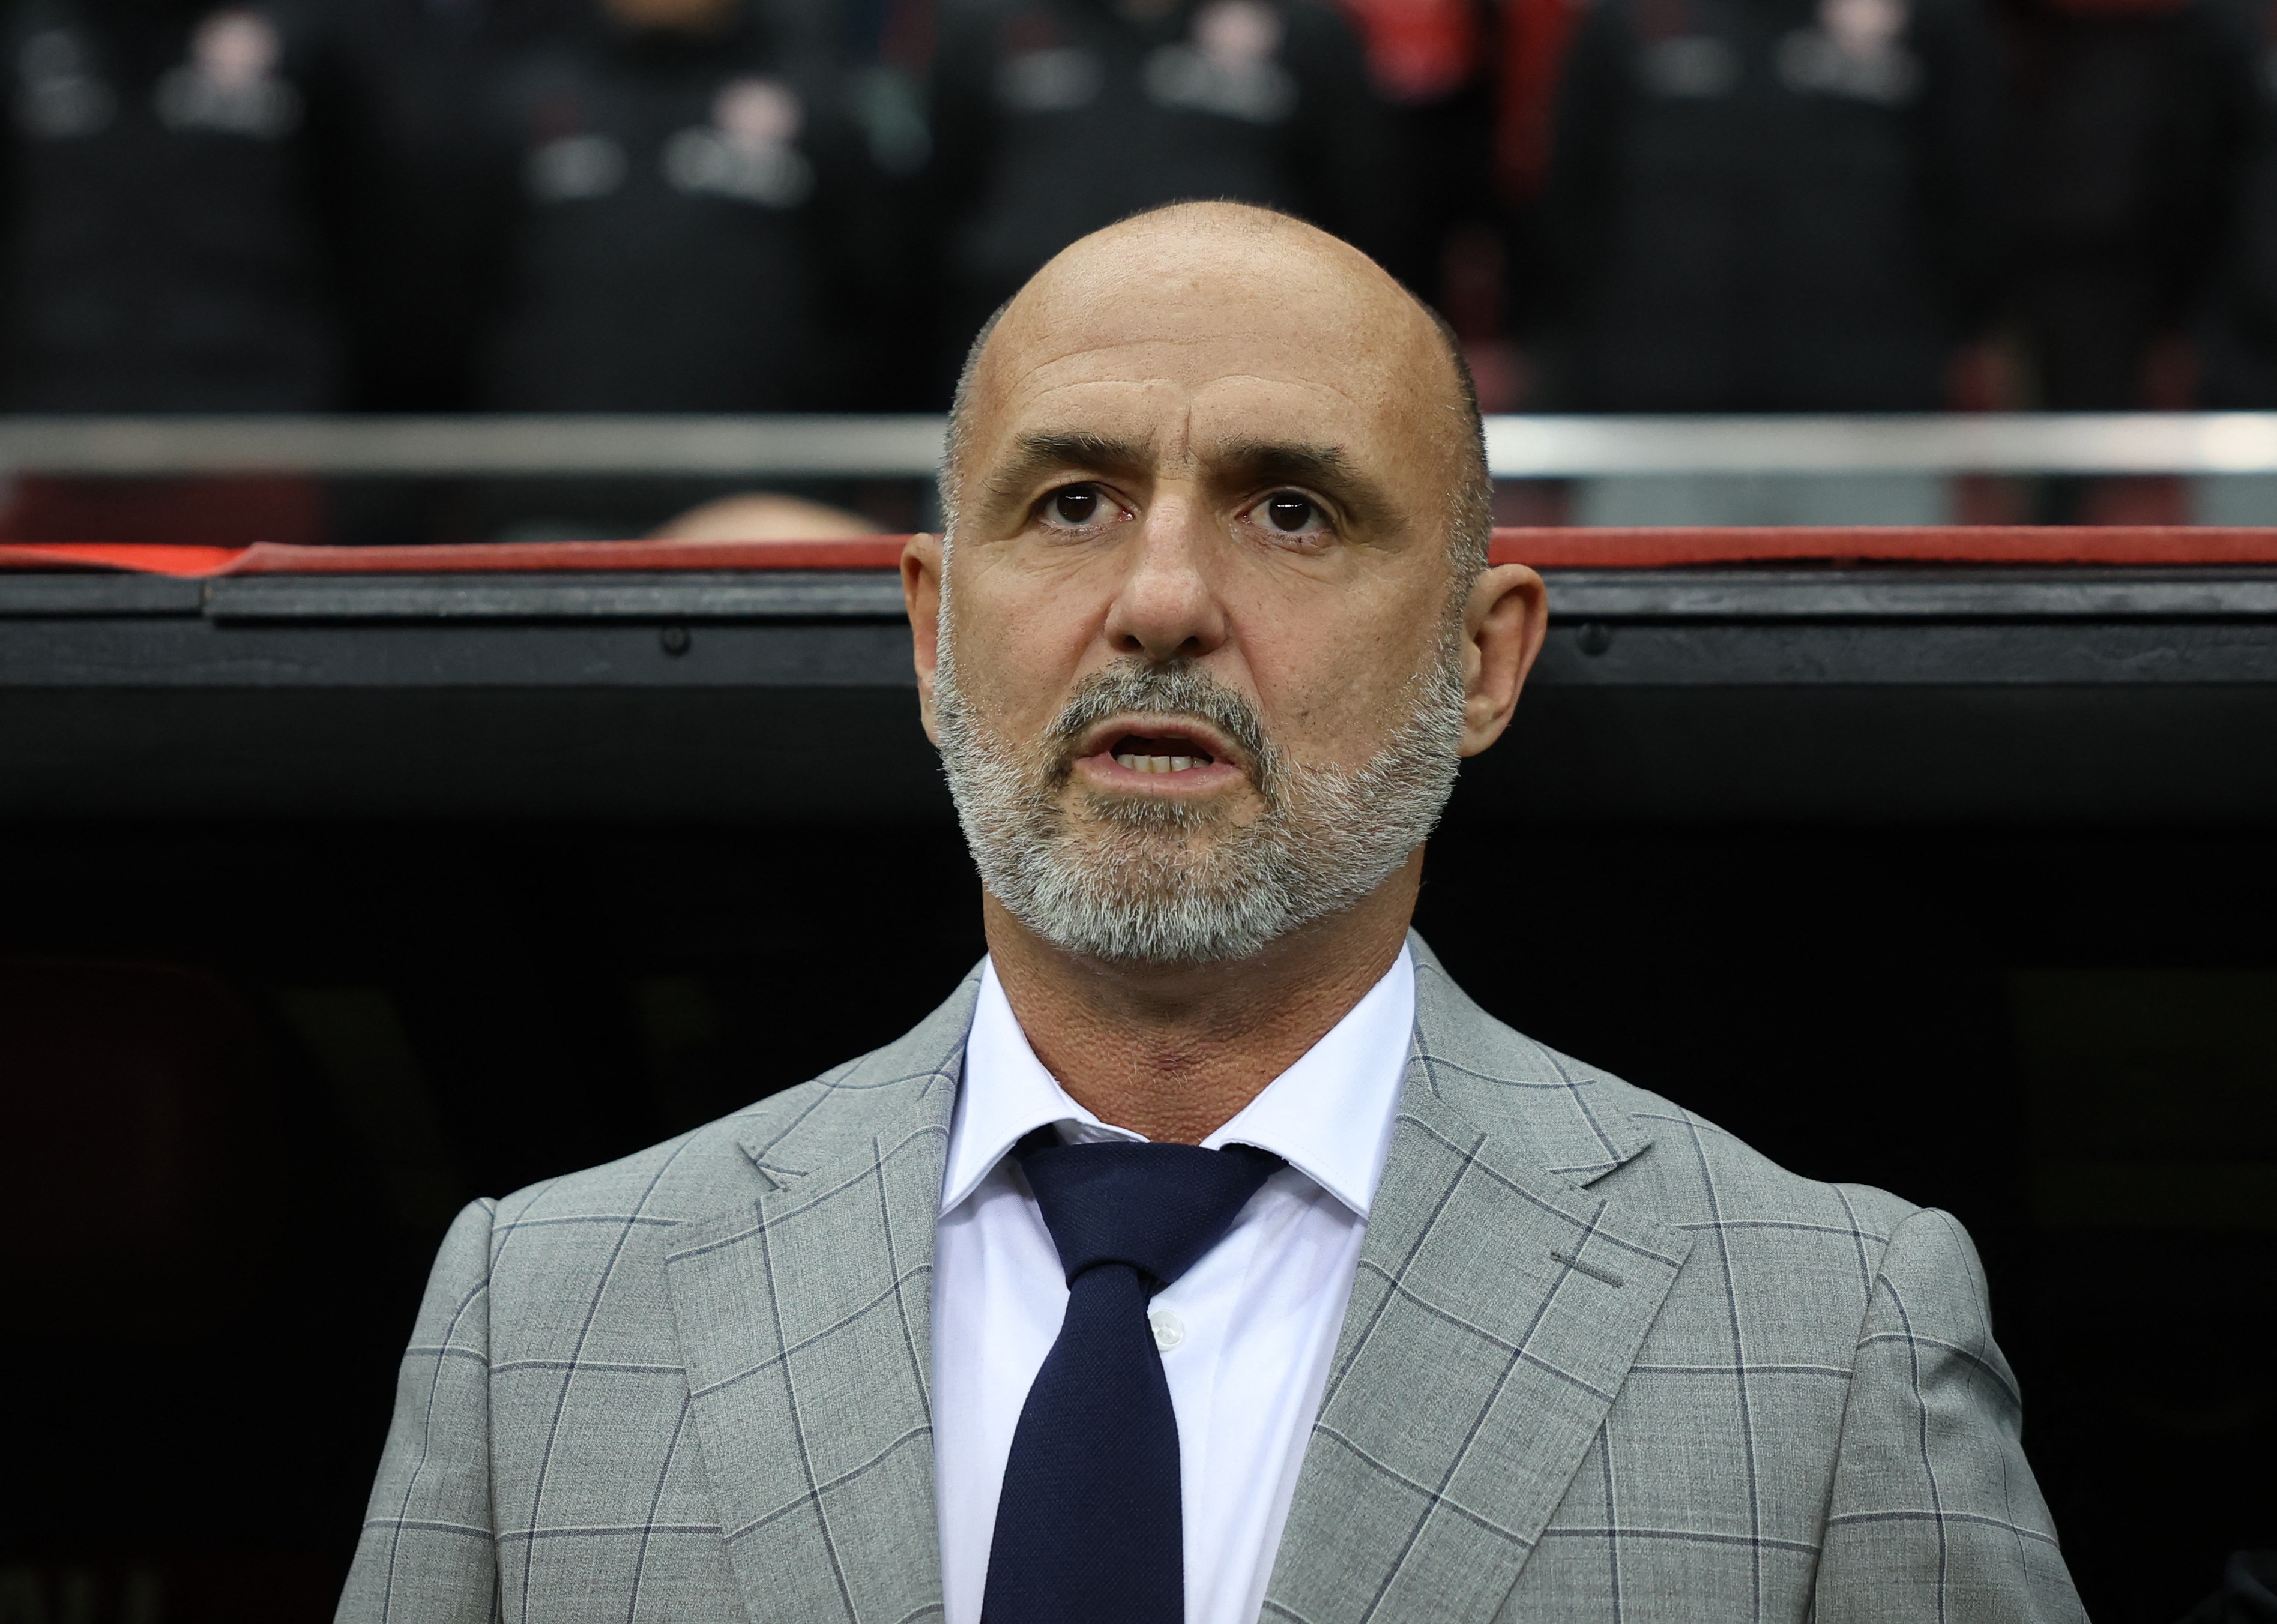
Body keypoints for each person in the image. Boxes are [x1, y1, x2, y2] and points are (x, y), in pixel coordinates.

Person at [340, 202, 2085, 1623]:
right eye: (1072, 502)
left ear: (1482, 659)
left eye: (1291, 510)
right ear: (932, 634)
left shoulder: (1826, 1332)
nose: (1161, 597)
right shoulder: (540, 1312)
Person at [920, 0, 1394, 398]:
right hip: (1018, 352)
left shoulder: (1303, 27)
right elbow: (933, 210)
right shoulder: (988, 22)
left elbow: (1368, 213)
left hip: (1252, 360)